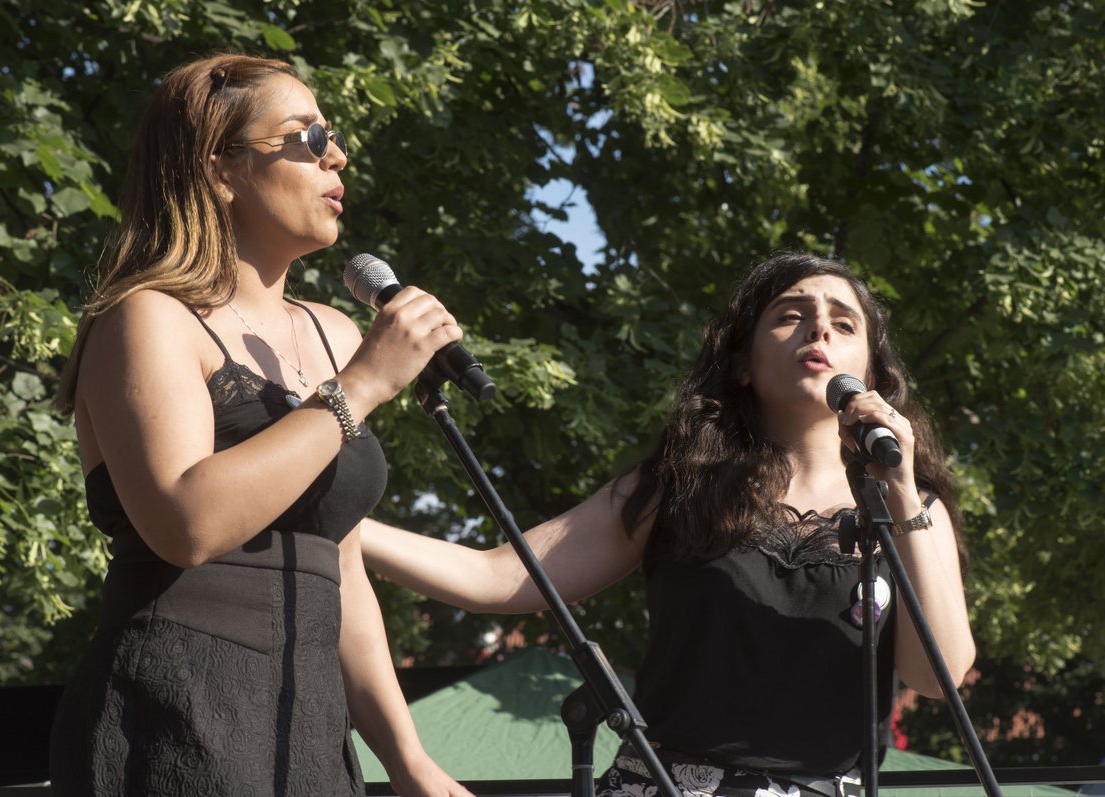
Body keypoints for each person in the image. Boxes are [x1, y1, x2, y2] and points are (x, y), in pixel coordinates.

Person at [361, 252, 976, 796]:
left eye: (844, 324)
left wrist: (898, 491)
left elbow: (937, 677)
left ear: (869, 374)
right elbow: (499, 576)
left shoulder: (912, 508)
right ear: (742, 364)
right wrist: (345, 528)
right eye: (791, 314)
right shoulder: (676, 485)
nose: (820, 326)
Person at [48, 53, 472, 797]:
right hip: (176, 707)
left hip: (307, 725)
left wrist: (410, 763)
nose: (336, 154)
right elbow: (187, 522)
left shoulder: (337, 332)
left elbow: (340, 569)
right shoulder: (147, 317)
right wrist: (362, 386)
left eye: (332, 136)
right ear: (221, 169)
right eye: (306, 138)